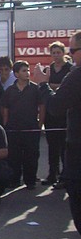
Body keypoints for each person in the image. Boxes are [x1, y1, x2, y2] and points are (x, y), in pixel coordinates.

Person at [34, 31, 81, 239]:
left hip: (78, 148)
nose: (70, 56)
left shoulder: (76, 75)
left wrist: (43, 84)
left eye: (72, 51)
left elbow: (55, 106)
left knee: (77, 193)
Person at [0, 60, 45, 189]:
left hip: (31, 128)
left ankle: (30, 181)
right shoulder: (10, 90)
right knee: (14, 157)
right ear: (16, 73)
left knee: (31, 156)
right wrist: (6, 124)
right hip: (14, 129)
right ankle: (14, 180)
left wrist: (40, 124)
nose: (27, 73)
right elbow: (5, 109)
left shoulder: (35, 88)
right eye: (24, 71)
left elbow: (42, 106)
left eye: (28, 70)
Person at [42, 41, 73, 187]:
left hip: (65, 113)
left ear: (64, 52)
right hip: (51, 113)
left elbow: (67, 88)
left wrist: (51, 85)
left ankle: (65, 177)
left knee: (64, 147)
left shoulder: (70, 69)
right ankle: (52, 174)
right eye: (53, 53)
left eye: (58, 52)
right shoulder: (49, 69)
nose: (56, 55)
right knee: (52, 146)